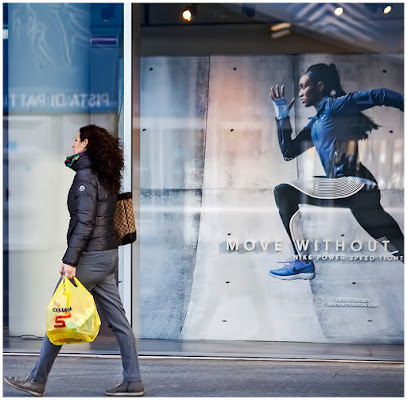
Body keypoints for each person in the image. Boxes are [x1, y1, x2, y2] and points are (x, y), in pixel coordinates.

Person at [4, 125, 145, 396]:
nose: (72, 144)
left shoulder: (86, 177)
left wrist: (70, 260)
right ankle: (133, 380)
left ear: (86, 143)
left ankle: (36, 380)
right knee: (119, 322)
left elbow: (85, 221)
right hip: (107, 256)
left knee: (59, 314)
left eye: (76, 140)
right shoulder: (104, 174)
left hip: (90, 257)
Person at [268, 63, 404, 280]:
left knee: (284, 191)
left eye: (304, 87)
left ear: (320, 86)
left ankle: (302, 262)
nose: (301, 93)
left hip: (354, 183)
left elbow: (380, 94)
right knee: (398, 247)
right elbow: (288, 152)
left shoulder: (334, 106)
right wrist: (282, 114)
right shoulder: (315, 124)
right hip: (357, 193)